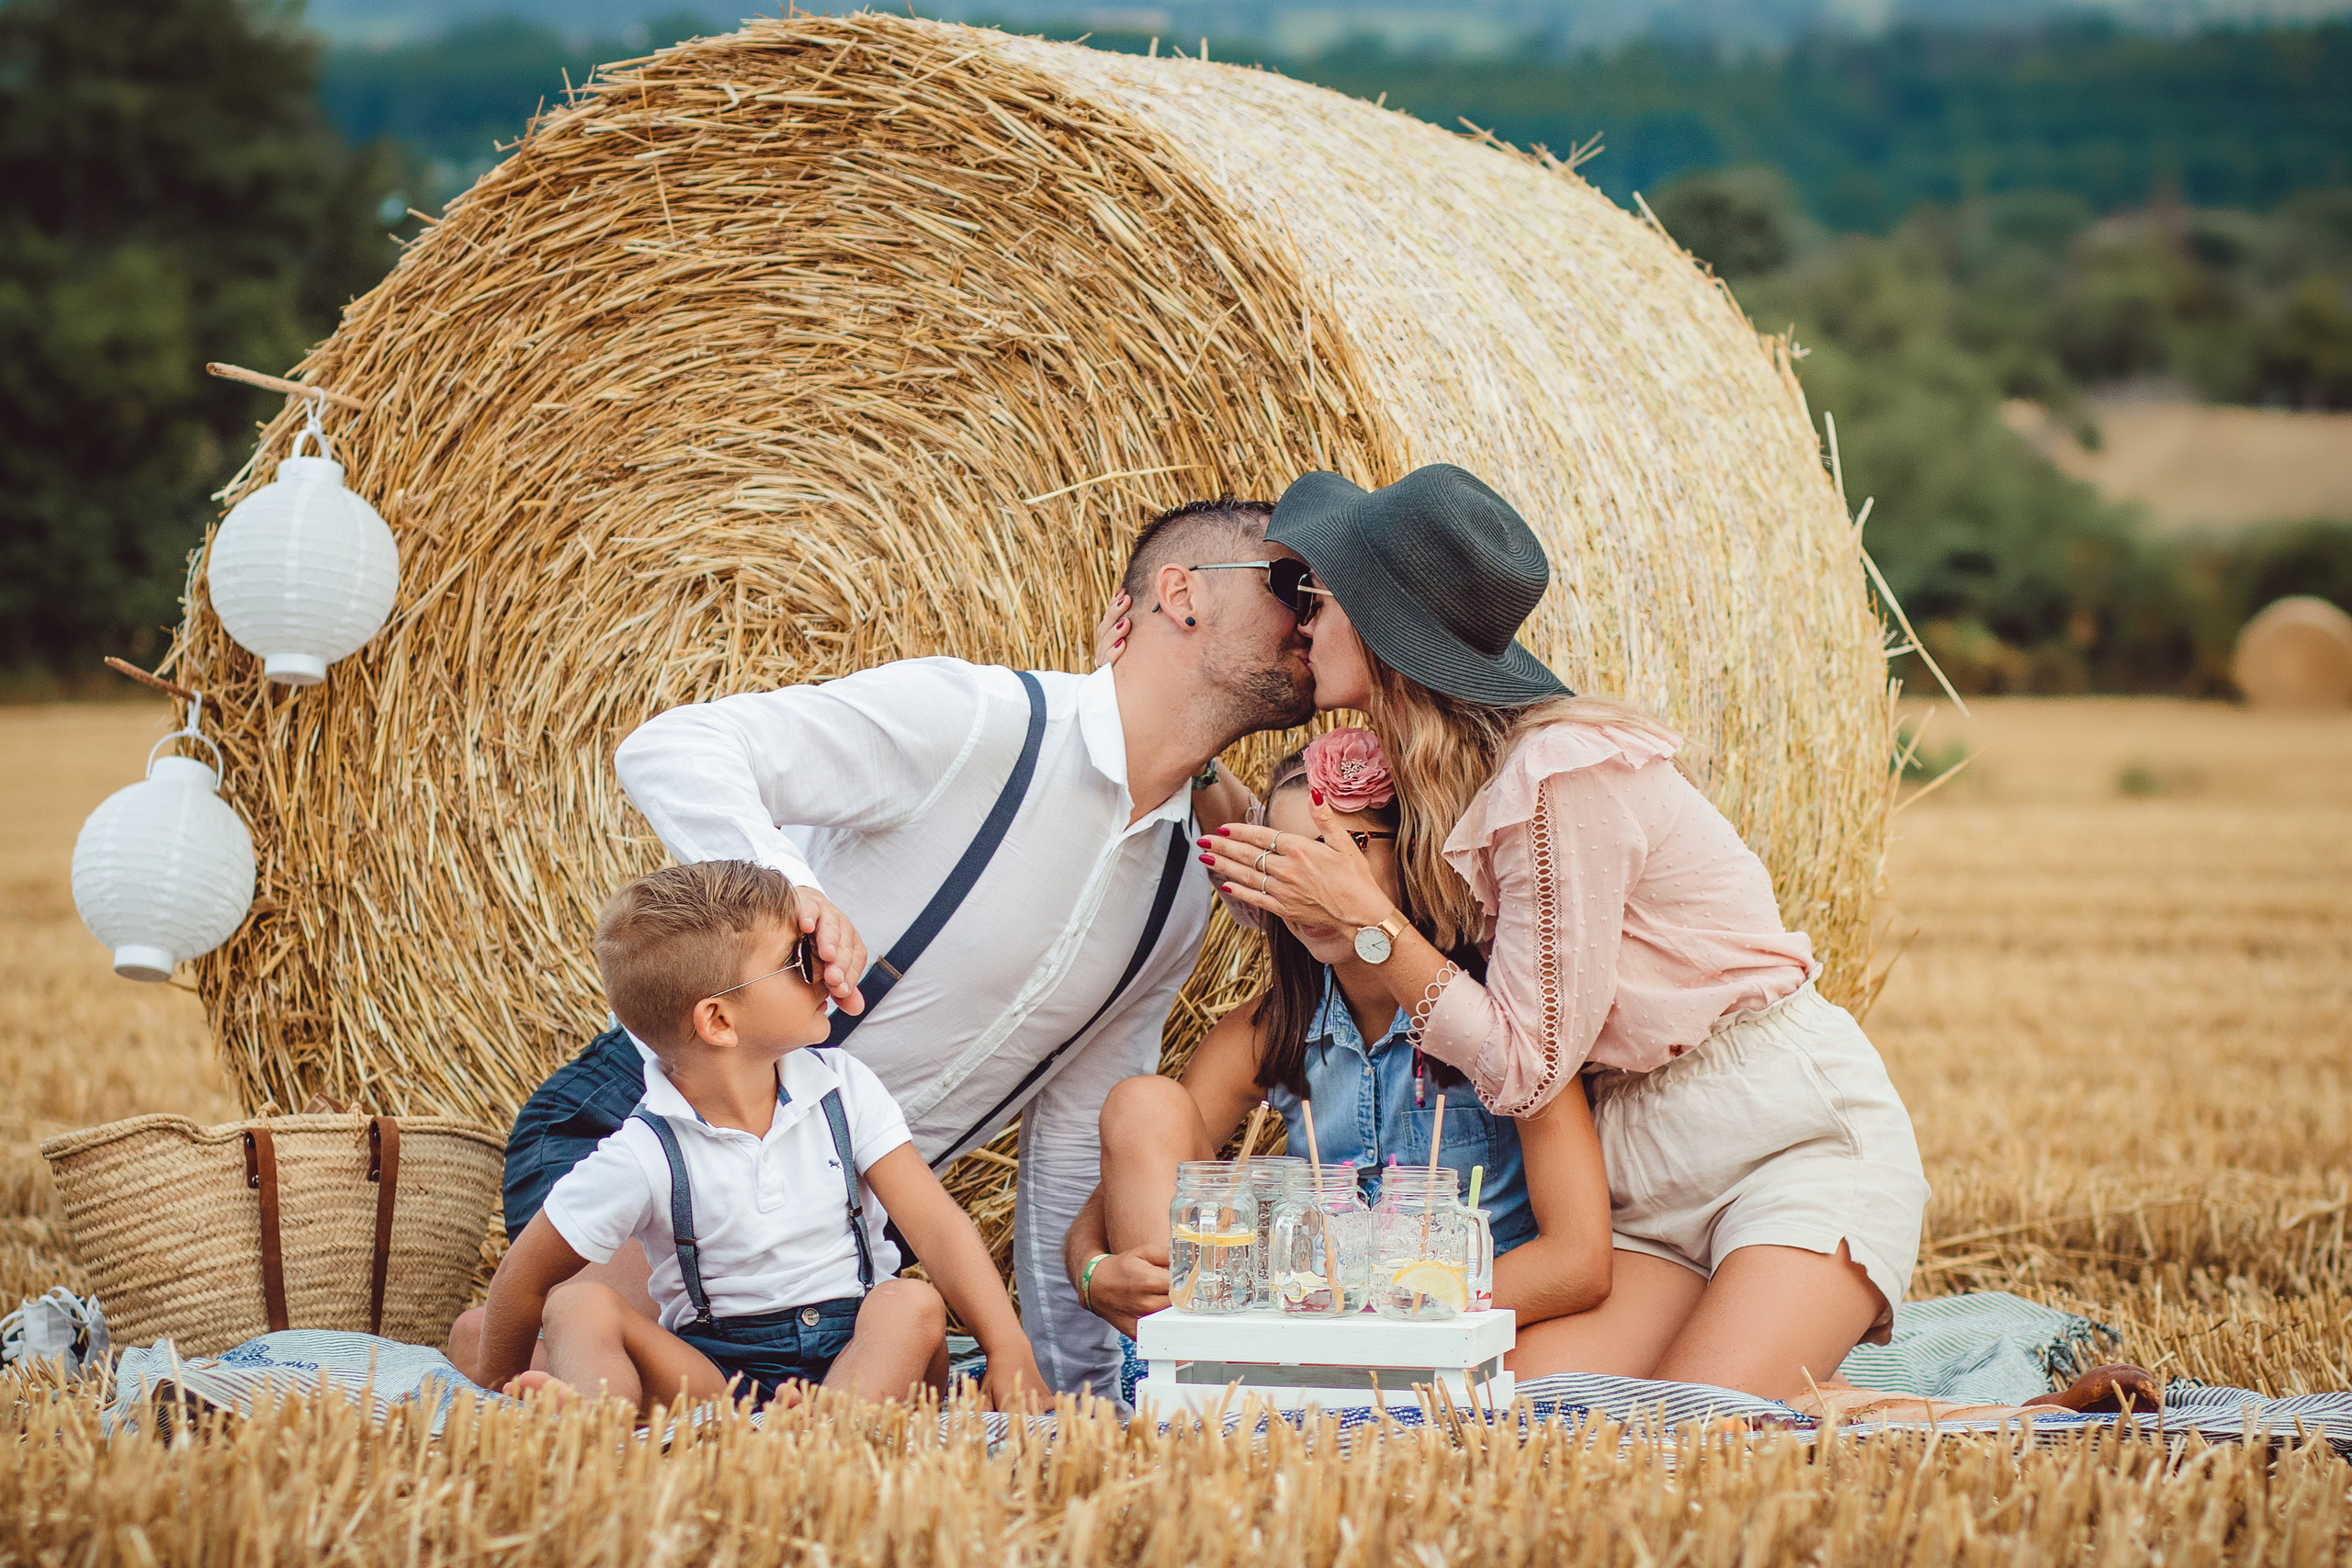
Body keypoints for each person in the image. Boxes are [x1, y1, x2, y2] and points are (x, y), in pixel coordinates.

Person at [456, 497, 1320, 1402]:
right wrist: (790, 886)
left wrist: (1079, 1399)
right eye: (1291, 586)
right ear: (1181, 595)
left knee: (776, 1415)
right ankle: (531, 1344)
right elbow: (677, 746)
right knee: (625, 1407)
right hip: (649, 1133)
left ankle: (505, 1351)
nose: (1316, 617)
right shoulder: (979, 721)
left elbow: (1066, 1151)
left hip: (833, 1253)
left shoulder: (1183, 890)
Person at [1197, 464, 1933, 1401]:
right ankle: (1867, 1402)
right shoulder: (1444, 778)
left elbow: (1525, 1065)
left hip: (1781, 1143)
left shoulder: (1557, 777)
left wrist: (1374, 924)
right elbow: (1302, 894)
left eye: (1319, 597)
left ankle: (1993, 1424)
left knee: (1702, 1432)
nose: (1303, 620)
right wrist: (1183, 755)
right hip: (1635, 1174)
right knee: (1535, 1419)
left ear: (1381, 626)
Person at [1067, 728, 1614, 1350]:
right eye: (1286, 857)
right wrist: (1092, 1271)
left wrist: (1396, 1313)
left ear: (1410, 851)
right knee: (1141, 1102)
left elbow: (1581, 1259)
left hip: (1469, 1331)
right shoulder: (1272, 1030)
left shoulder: (1499, 1020)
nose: (1311, 883)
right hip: (1320, 1334)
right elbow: (1121, 1180)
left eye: (1345, 848)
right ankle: (1188, 1399)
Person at [473, 861, 1044, 1414]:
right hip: (717, 1379)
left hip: (863, 1352)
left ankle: (826, 1426)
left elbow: (937, 1225)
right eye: (797, 959)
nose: (824, 968)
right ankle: (590, 1421)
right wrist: (494, 1387)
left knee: (912, 1303)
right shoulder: (645, 1151)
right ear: (719, 1020)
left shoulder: (843, 1089)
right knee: (579, 1302)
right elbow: (522, 1278)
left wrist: (1006, 1345)